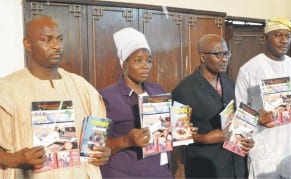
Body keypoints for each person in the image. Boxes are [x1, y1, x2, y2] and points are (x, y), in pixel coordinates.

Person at [0, 15, 111, 178]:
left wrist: (103, 152)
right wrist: (13, 158)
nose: (56, 46)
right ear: (28, 44)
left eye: (59, 39)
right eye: (47, 40)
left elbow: (96, 140)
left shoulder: (83, 88)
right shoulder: (7, 90)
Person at [172, 34, 254, 178]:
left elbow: (235, 118)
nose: (224, 59)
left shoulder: (229, 82)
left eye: (227, 54)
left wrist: (244, 138)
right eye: (218, 54)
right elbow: (177, 135)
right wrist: (204, 138)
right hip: (206, 167)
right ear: (203, 57)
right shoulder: (184, 90)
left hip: (235, 166)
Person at [98, 27, 173, 178]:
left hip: (160, 172)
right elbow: (95, 147)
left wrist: (179, 127)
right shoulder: (106, 97)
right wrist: (126, 140)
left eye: (149, 60)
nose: (145, 65)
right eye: (138, 61)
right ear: (124, 64)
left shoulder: (157, 90)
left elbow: (166, 129)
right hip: (125, 173)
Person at [235, 17, 291, 178]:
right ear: (265, 37)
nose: (284, 40)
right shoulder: (248, 70)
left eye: (288, 36)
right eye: (278, 35)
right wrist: (257, 117)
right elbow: (240, 115)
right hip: (264, 150)